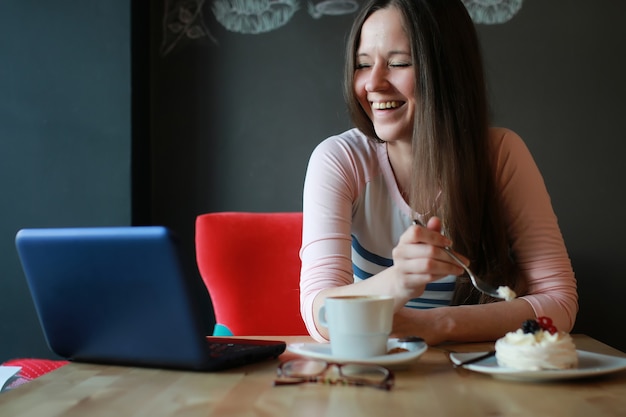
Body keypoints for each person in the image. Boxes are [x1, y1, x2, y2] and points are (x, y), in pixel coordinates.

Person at [299, 0, 578, 345]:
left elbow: (560, 302)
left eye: (399, 63)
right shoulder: (341, 159)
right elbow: (319, 314)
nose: (373, 83)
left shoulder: (501, 154)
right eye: (362, 64)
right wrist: (398, 281)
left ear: (447, 69)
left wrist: (434, 325)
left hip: (480, 376)